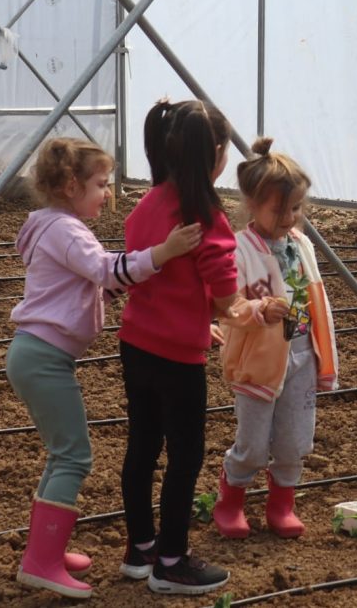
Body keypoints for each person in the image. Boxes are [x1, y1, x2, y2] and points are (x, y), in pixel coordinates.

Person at [7, 138, 201, 599]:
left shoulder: (52, 226)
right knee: (74, 456)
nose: (108, 193)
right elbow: (109, 271)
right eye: (100, 184)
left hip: (37, 355)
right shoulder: (67, 231)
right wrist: (164, 252)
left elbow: (89, 288)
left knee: (62, 453)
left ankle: (45, 551)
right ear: (71, 185)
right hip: (44, 358)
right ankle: (42, 561)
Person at [117, 99, 240, 595]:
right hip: (178, 358)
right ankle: (172, 560)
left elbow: (158, 276)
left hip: (137, 344)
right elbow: (227, 296)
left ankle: (141, 548)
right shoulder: (205, 215)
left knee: (142, 445)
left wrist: (200, 313)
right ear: (213, 153)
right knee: (185, 455)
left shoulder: (146, 205)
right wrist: (244, 309)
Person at [211, 137, 339, 540]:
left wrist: (321, 350)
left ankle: (281, 504)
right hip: (259, 358)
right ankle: (229, 502)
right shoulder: (239, 250)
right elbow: (228, 306)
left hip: (302, 350)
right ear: (251, 203)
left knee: (294, 438)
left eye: (296, 208)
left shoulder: (301, 245)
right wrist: (259, 309)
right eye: (279, 209)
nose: (289, 217)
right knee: (252, 440)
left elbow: (315, 296)